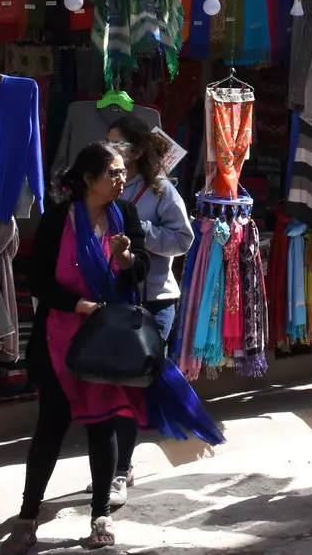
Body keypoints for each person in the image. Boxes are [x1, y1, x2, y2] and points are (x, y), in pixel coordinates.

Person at [5, 143, 149, 553]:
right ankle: (28, 516)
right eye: (114, 173)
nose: (122, 179)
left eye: (125, 172)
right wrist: (77, 305)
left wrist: (125, 260)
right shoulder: (56, 221)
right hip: (61, 337)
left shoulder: (128, 216)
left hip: (106, 339)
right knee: (51, 425)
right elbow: (39, 282)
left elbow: (141, 271)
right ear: (89, 179)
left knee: (102, 423)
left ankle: (100, 514)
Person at [103, 112, 194, 504]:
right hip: (114, 298)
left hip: (155, 298)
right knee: (114, 385)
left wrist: (141, 236)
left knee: (132, 384)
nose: (112, 152)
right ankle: (117, 466)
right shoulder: (104, 187)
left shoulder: (161, 192)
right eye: (107, 145)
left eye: (119, 145)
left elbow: (183, 239)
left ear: (137, 151)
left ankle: (120, 471)